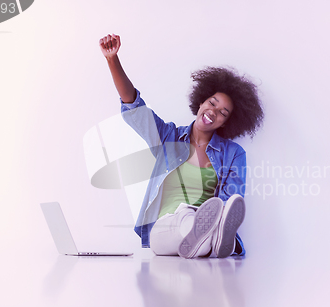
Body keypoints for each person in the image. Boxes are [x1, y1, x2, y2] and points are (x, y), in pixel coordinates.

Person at [99, 34, 263, 258]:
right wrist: (112, 59)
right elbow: (135, 108)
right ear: (201, 101)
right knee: (186, 219)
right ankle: (215, 241)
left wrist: (216, 216)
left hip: (204, 220)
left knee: (203, 219)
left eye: (223, 113)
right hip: (164, 229)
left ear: (227, 122)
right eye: (212, 103)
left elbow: (229, 198)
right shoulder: (167, 137)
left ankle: (208, 239)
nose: (213, 112)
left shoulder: (234, 153)